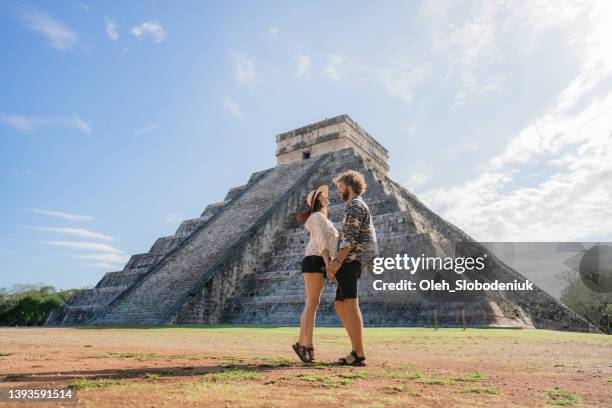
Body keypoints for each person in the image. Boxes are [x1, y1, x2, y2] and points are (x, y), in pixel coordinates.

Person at [326, 170, 378, 366]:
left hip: (350, 260)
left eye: (340, 186)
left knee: (350, 303)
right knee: (340, 305)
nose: (338, 191)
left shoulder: (355, 205)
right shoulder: (355, 205)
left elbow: (349, 240)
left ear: (349, 185)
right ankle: (356, 349)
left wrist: (336, 262)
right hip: (350, 260)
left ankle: (358, 353)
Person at [292, 185, 339, 363]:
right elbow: (321, 242)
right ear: (319, 200)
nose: (328, 198)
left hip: (318, 260)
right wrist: (329, 265)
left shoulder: (321, 218)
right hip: (315, 259)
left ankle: (302, 344)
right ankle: (306, 345)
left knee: (313, 304)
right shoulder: (316, 216)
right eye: (324, 197)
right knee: (311, 304)